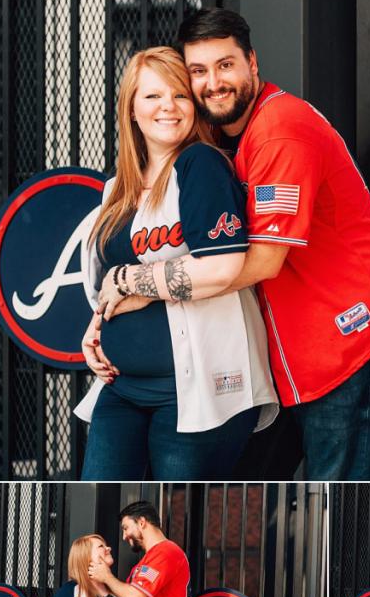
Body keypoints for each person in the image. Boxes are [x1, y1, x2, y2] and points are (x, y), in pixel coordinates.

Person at [159, 8, 370, 480]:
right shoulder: (224, 136)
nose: (213, 82)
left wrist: (147, 287)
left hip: (346, 339)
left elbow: (262, 261)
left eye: (225, 65)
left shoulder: (280, 128)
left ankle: (340, 557)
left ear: (252, 63)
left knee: (337, 498)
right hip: (296, 353)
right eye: (198, 71)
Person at [73, 45, 278, 481]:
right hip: (120, 387)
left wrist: (132, 283)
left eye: (180, 95)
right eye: (152, 96)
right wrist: (96, 325)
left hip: (193, 393)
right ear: (131, 108)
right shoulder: (116, 189)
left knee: (178, 503)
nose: (168, 107)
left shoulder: (200, 165)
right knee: (100, 493)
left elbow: (222, 266)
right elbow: (103, 282)